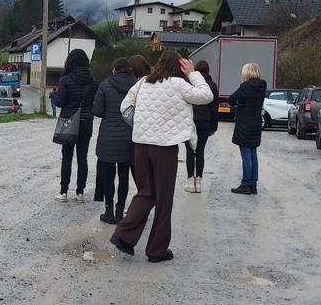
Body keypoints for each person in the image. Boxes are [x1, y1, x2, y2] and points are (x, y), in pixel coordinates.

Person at [109, 51, 213, 263]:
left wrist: (140, 126)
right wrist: (193, 74)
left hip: (140, 145)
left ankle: (123, 235)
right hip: (164, 148)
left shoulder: (143, 83)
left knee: (146, 193)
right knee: (163, 200)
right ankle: (156, 251)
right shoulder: (178, 84)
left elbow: (124, 107)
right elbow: (206, 96)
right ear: (178, 67)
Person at [92, 57, 138, 224]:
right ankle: (120, 213)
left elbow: (96, 110)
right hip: (128, 138)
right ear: (129, 69)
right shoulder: (137, 85)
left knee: (108, 176)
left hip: (108, 138)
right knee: (124, 176)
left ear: (114, 69)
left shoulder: (105, 84)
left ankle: (108, 211)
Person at [54, 49, 99, 203]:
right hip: (87, 122)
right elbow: (95, 103)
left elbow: (59, 102)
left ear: (70, 62)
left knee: (67, 157)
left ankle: (63, 192)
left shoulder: (66, 80)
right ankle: (80, 193)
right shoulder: (93, 81)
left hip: (69, 122)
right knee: (82, 158)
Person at [227, 62, 267, 195]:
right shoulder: (262, 85)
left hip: (244, 123)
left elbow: (231, 99)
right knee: (253, 153)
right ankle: (253, 184)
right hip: (256, 123)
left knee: (246, 155)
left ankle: (245, 184)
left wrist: (238, 106)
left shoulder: (245, 87)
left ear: (247, 73)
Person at [185, 60, 219, 193]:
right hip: (205, 122)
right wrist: (213, 127)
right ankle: (198, 183)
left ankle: (190, 183)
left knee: (190, 152)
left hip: (191, 122)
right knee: (200, 151)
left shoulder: (189, 83)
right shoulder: (212, 85)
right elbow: (214, 108)